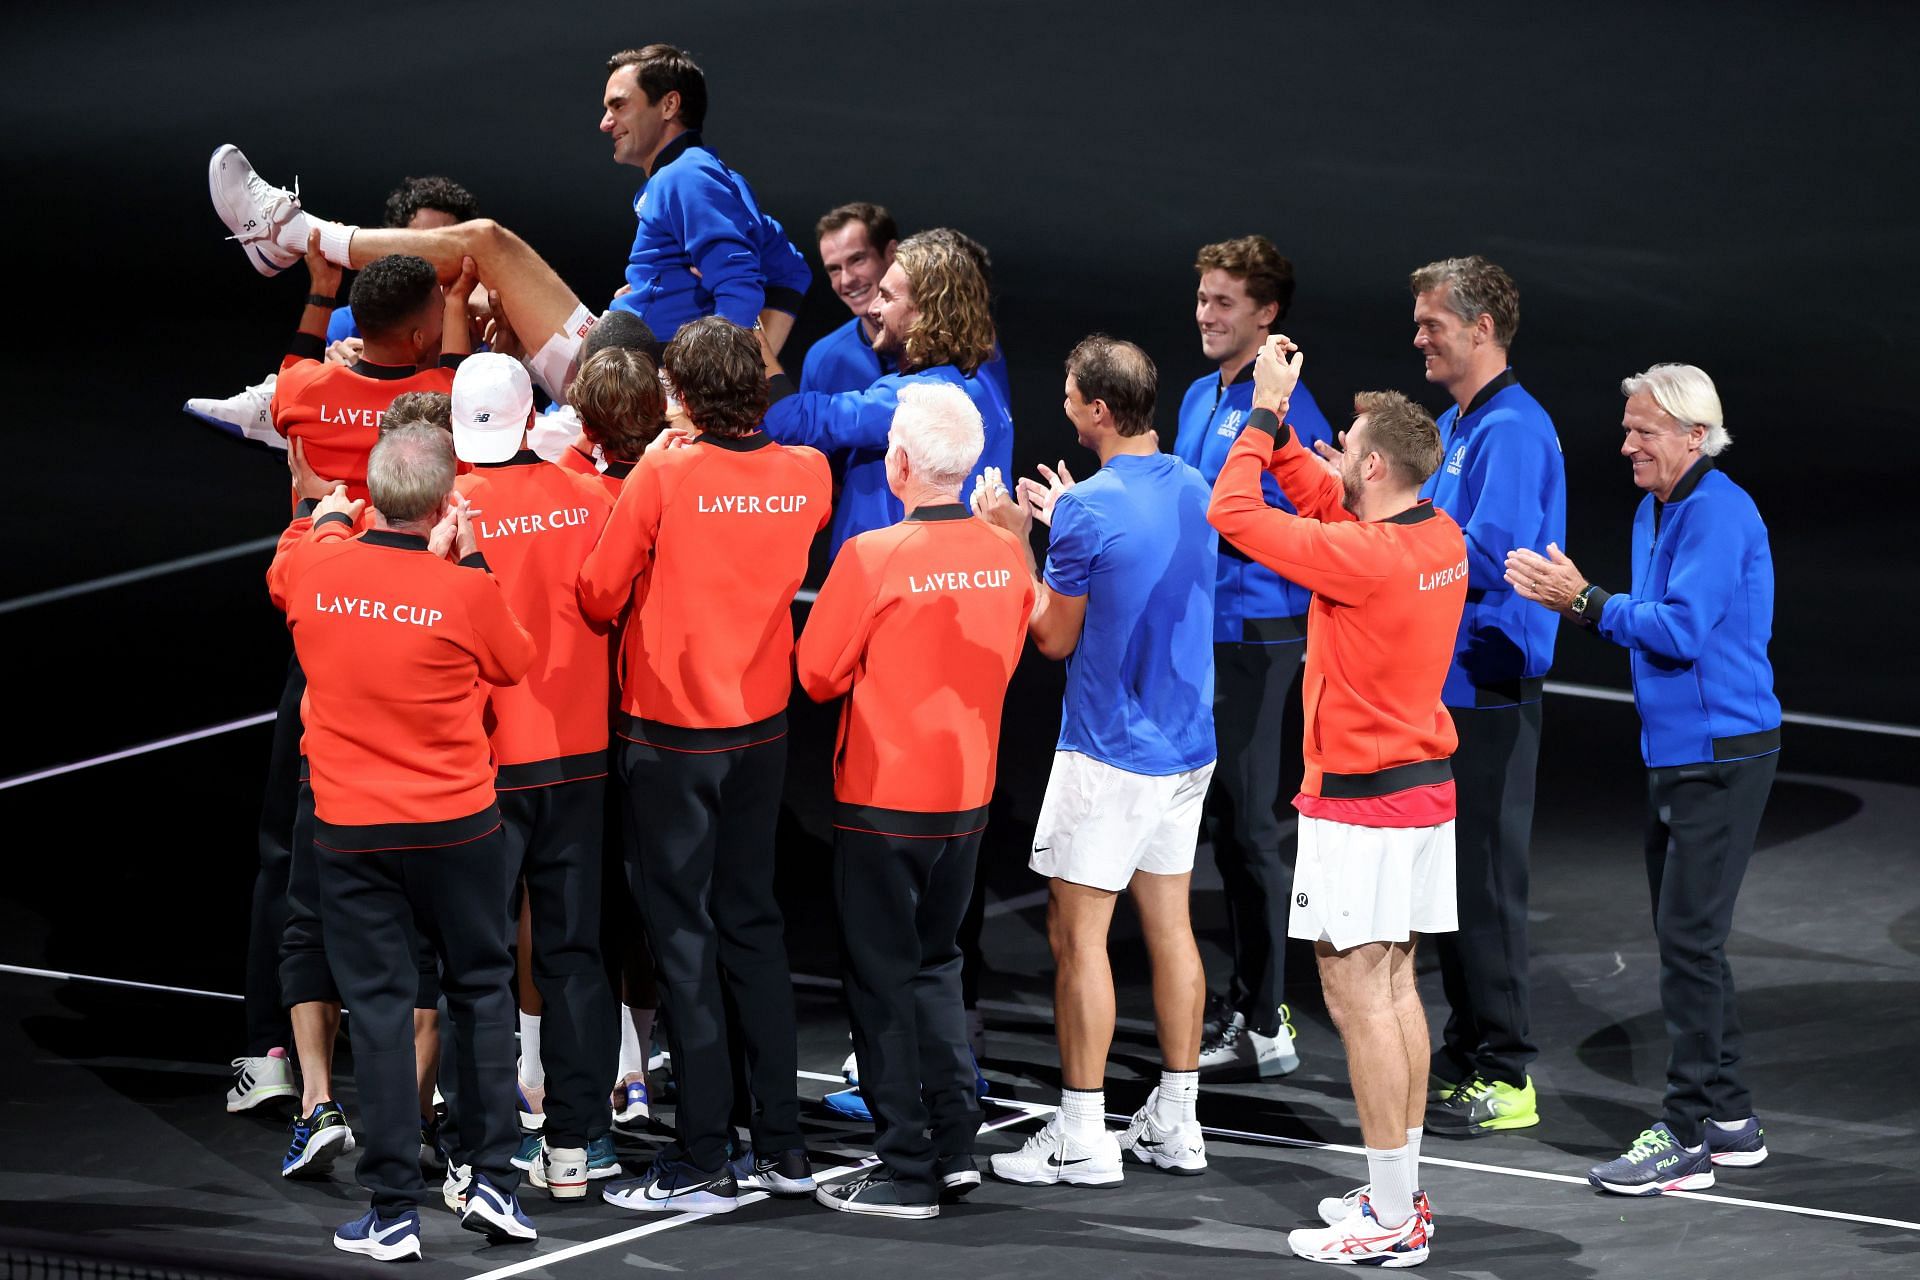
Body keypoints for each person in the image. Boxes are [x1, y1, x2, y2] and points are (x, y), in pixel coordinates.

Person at [1208, 335, 1466, 1267]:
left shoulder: (1363, 558)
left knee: (1356, 994)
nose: (1336, 460)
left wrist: (1266, 414)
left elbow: (1231, 511)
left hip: (1360, 806)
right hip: (1420, 796)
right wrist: (1295, 446)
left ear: (1374, 465)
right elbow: (1328, 505)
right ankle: (1399, 1190)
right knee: (1393, 988)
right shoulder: (1435, 537)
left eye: (1345, 448)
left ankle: (1393, 1220)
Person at [1506, 363, 1779, 1196]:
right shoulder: (1652, 509)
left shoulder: (1718, 511)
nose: (1625, 444)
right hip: (1677, 752)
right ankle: (1729, 1118)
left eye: (1643, 431)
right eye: (1626, 429)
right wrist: (1594, 602)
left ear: (1696, 436)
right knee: (1686, 940)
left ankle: (1688, 1131)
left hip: (1723, 755)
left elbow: (1683, 631)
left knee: (1690, 944)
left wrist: (1586, 600)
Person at [579, 317, 832, 1214]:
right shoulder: (809, 472)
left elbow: (599, 590)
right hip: (760, 732)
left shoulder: (666, 469)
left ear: (679, 400)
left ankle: (699, 1155)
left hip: (672, 736)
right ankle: (785, 1147)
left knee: (682, 937)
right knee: (753, 927)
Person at [267, 425, 537, 1261]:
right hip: (458, 828)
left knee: (380, 1011)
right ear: (445, 505)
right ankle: (493, 1178)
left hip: (352, 834)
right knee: (483, 993)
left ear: (376, 497)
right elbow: (515, 662)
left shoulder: (317, 566)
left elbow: (291, 563)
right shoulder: (463, 589)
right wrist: (473, 561)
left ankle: (391, 1211)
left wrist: (332, 517)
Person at [225, 234, 468, 1129]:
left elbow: (290, 370)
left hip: (320, 633)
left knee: (293, 855)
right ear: (415, 337)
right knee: (421, 860)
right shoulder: (439, 401)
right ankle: (411, 1089)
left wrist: (320, 295)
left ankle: (277, 1058)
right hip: (417, 637)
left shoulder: (302, 395)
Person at [975, 336, 1216, 1187]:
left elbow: (1053, 636)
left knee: (1078, 938)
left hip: (1109, 756)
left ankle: (1081, 1133)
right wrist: (1074, 519)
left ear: (1100, 412)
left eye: (1073, 397)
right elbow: (1131, 551)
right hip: (1188, 752)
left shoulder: (1088, 512)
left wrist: (1017, 542)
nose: (1065, 407)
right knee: (1171, 928)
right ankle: (1177, 1123)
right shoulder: (1191, 485)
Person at [795, 383, 1033, 1218]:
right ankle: (953, 1146)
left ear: (898, 462)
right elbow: (1006, 656)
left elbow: (817, 675)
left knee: (882, 981)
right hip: (965, 801)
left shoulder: (871, 555)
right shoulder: (1008, 553)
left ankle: (904, 1170)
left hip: (882, 801)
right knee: (938, 967)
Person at [449, 355, 622, 1201]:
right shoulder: (589, 497)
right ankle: (575, 1145)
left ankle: (479, 1151)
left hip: (480, 766)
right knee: (574, 954)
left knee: (478, 962)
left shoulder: (447, 506)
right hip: (578, 758)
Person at [1409, 255, 1565, 1138]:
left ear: (1481, 329)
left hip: (1491, 682)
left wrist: (1393, 537)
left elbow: (1482, 553)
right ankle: (1468, 1050)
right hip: (1448, 683)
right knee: (1454, 882)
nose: (1419, 335)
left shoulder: (1512, 431)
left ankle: (1507, 1073)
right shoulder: (1457, 423)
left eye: (1432, 321)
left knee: (1488, 883)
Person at [1172, 234, 1335, 1081]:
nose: (1205, 313)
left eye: (1223, 301)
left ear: (1267, 314)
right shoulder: (1202, 393)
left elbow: (1296, 529)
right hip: (1203, 634)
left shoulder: (1290, 412)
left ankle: (1266, 1020)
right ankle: (1245, 1007)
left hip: (1260, 638)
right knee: (1223, 832)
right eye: (1202, 298)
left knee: (1249, 832)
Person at [760, 231, 1013, 556]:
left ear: (924, 313)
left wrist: (749, 322)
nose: (873, 307)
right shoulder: (979, 380)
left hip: (892, 588)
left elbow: (788, 420)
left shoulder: (915, 400)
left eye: (888, 297)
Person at [187, 175, 481, 446]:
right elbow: (304, 388)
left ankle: (295, 234)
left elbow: (461, 404)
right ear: (389, 246)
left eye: (442, 243)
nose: (430, 257)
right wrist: (343, 375)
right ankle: (277, 404)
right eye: (419, 243)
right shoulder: (348, 322)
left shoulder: (484, 327)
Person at [601, 44, 811, 352]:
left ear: (669, 105)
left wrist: (720, 385)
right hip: (634, 363)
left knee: (501, 248)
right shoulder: (700, 174)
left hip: (645, 376)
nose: (605, 123)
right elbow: (790, 269)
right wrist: (656, 289)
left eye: (619, 106)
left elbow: (740, 285)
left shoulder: (686, 175)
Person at [801, 203, 900, 394]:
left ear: (892, 254)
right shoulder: (822, 360)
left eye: (857, 260)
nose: (847, 280)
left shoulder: (951, 344)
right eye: (834, 269)